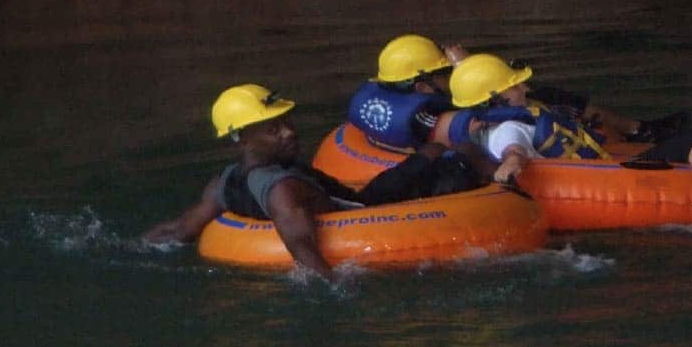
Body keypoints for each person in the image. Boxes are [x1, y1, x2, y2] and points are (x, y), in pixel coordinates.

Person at [145, 83, 480, 277]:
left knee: (425, 158)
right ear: (243, 139)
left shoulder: (224, 182)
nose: (290, 131)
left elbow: (180, 231)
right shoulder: (283, 191)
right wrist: (340, 292)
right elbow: (304, 251)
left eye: (286, 121)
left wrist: (131, 246)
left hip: (358, 197)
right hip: (368, 210)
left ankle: (433, 151)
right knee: (463, 155)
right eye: (273, 129)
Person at [447, 52, 692, 219]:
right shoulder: (508, 129)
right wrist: (509, 168)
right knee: (690, 138)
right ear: (494, 99)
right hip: (598, 181)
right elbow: (513, 152)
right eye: (514, 89)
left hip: (603, 163)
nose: (523, 91)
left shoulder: (515, 115)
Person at [347, 34, 689, 159]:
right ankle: (637, 133)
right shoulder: (425, 117)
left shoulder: (393, 94)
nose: (449, 74)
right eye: (443, 72)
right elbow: (470, 122)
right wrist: (518, 110)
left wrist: (467, 68)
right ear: (421, 86)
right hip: (480, 142)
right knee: (539, 101)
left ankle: (635, 129)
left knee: (539, 96)